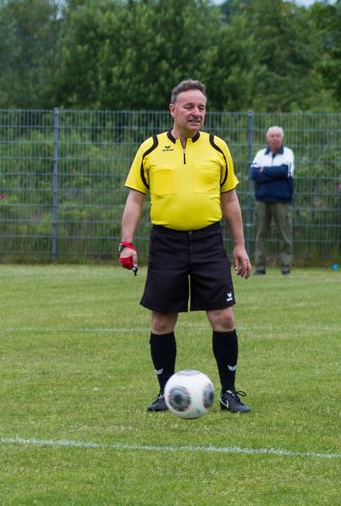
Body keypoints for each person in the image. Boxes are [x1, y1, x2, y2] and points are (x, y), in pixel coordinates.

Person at [119, 79, 251, 414]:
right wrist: (127, 243)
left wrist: (240, 245)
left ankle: (229, 393)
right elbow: (135, 200)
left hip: (208, 241)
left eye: (202, 107)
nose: (196, 113)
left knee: (223, 317)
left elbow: (230, 199)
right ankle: (166, 393)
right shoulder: (150, 149)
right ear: (173, 109)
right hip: (167, 243)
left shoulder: (218, 147)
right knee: (162, 321)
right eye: (190, 106)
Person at [249, 125, 295, 275]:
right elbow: (254, 174)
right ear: (267, 138)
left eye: (278, 136)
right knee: (260, 234)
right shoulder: (260, 154)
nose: (275, 138)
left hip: (282, 201)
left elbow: (285, 171)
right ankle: (260, 267)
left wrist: (265, 170)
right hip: (262, 200)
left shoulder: (288, 153)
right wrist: (275, 173)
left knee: (285, 235)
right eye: (272, 136)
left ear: (282, 138)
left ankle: (286, 267)